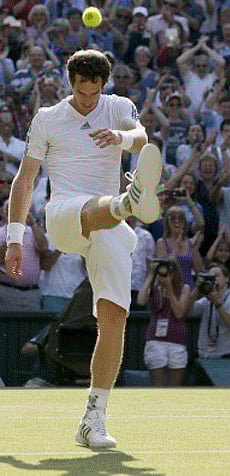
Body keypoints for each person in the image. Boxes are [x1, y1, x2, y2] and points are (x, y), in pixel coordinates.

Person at [5, 49, 163, 449]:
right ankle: (128, 203)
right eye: (80, 92)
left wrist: (121, 138)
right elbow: (25, 182)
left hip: (109, 227)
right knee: (103, 208)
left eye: (94, 93)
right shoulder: (48, 118)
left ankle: (94, 420)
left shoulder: (118, 107)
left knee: (114, 316)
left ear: (103, 85)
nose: (87, 100)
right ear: (69, 82)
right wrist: (14, 237)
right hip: (64, 216)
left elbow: (142, 138)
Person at [137, 256, 192, 386]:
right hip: (155, 340)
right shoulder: (155, 288)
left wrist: (169, 289)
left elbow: (179, 313)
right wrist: (151, 275)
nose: (166, 272)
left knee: (174, 388)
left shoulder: (184, 289)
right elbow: (140, 300)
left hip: (176, 341)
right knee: (157, 386)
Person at [192, 263, 230, 359]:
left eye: (216, 275)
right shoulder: (206, 300)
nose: (213, 279)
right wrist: (197, 288)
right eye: (210, 276)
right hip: (205, 355)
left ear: (227, 278)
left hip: (227, 356)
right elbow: (188, 311)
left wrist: (216, 302)